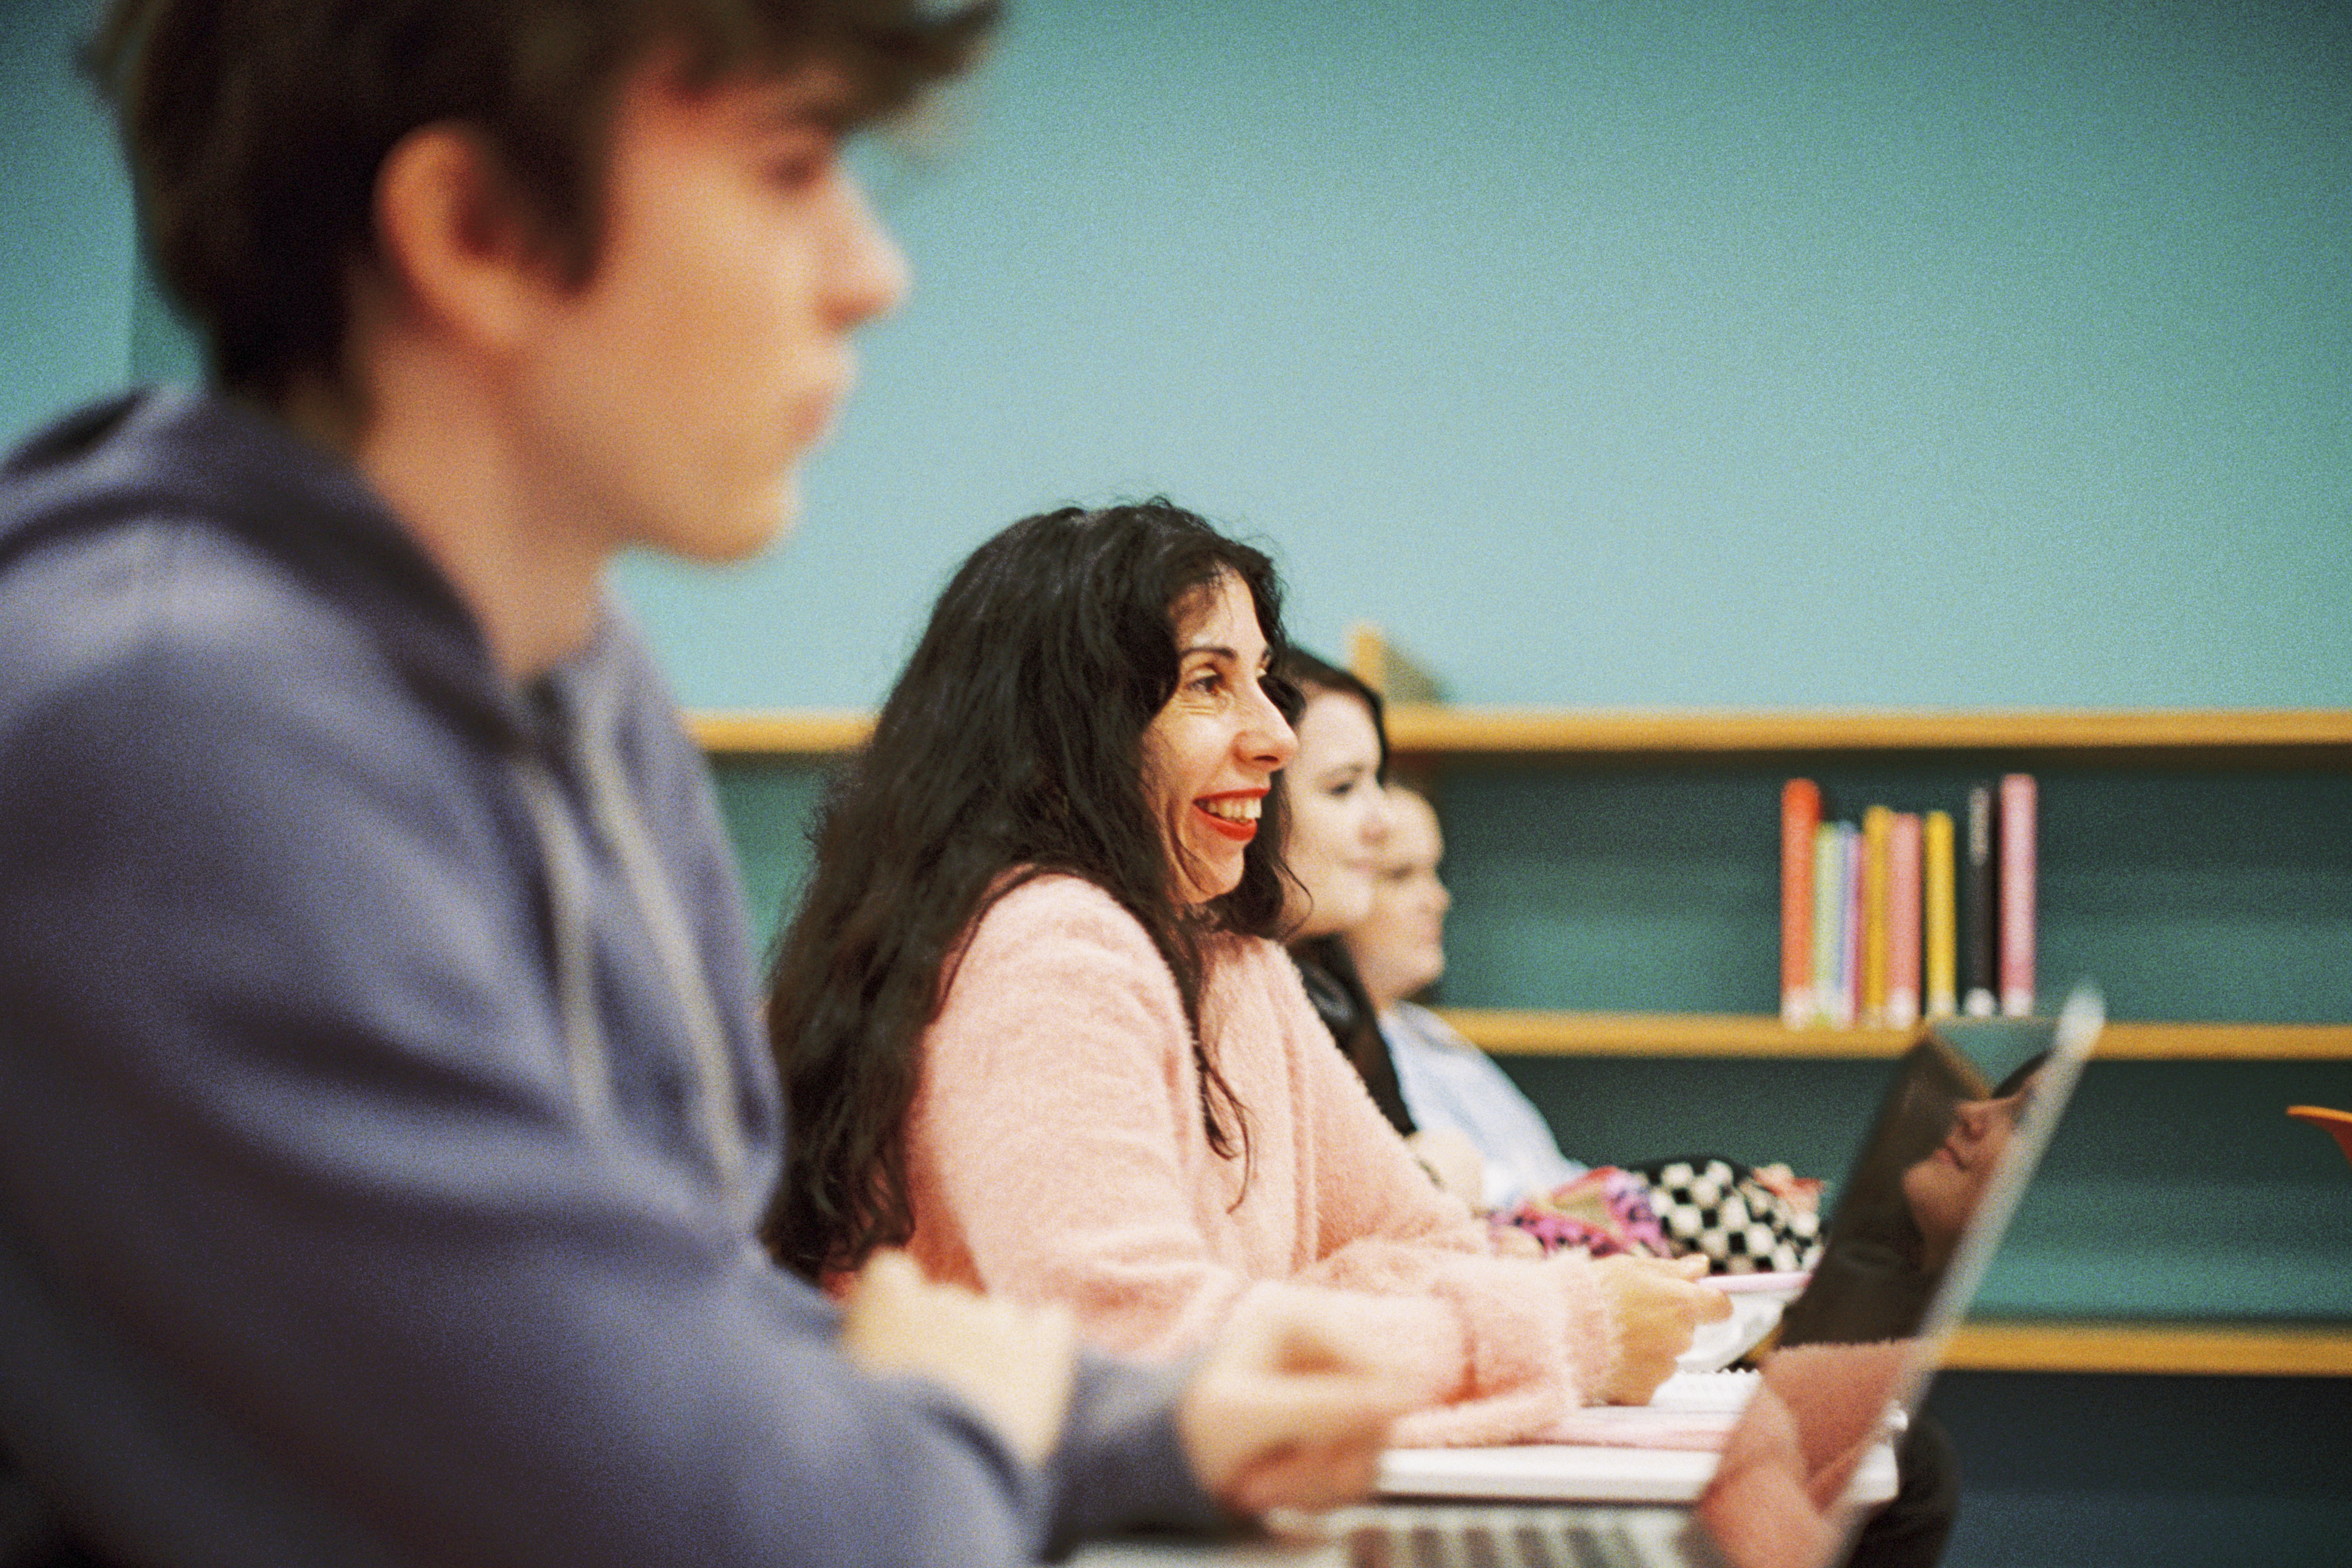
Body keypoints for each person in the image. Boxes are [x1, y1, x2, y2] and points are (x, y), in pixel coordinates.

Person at [0, 4, 1424, 1563]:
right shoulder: (175, 729)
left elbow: (674, 1319)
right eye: (790, 166)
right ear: (474, 231)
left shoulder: (568, 674)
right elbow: (662, 1503)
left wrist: (1124, 1421)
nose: (872, 272)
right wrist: (977, 1423)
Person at [767, 501, 1730, 1450]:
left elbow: (1430, 1244)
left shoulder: (1231, 956)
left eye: (1262, 681)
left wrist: (1268, 1314)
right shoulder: (1045, 945)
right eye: (1205, 684)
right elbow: (1141, 1358)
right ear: (1062, 734)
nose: (1274, 735)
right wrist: (1567, 1329)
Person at [1344, 785, 1588, 1212]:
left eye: (1434, 872)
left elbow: (1557, 1183)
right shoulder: (1332, 1051)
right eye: (1401, 875)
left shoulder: (1430, 1033)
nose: (1438, 899)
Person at [1268, 653, 1418, 1139]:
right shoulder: (1227, 993)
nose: (1385, 821)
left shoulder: (1327, 966)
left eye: (1378, 781)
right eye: (1342, 787)